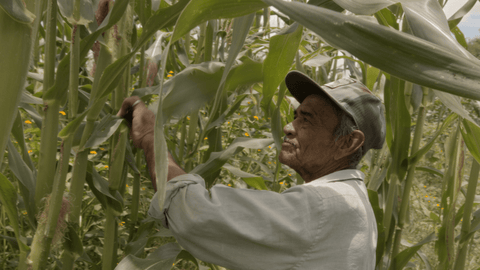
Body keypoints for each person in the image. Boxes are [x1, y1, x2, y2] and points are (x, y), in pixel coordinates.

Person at [117, 71, 386, 270]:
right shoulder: (352, 200)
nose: (289, 127)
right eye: (296, 115)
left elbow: (193, 213)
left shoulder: (326, 206)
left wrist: (152, 137)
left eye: (307, 119)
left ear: (348, 143)